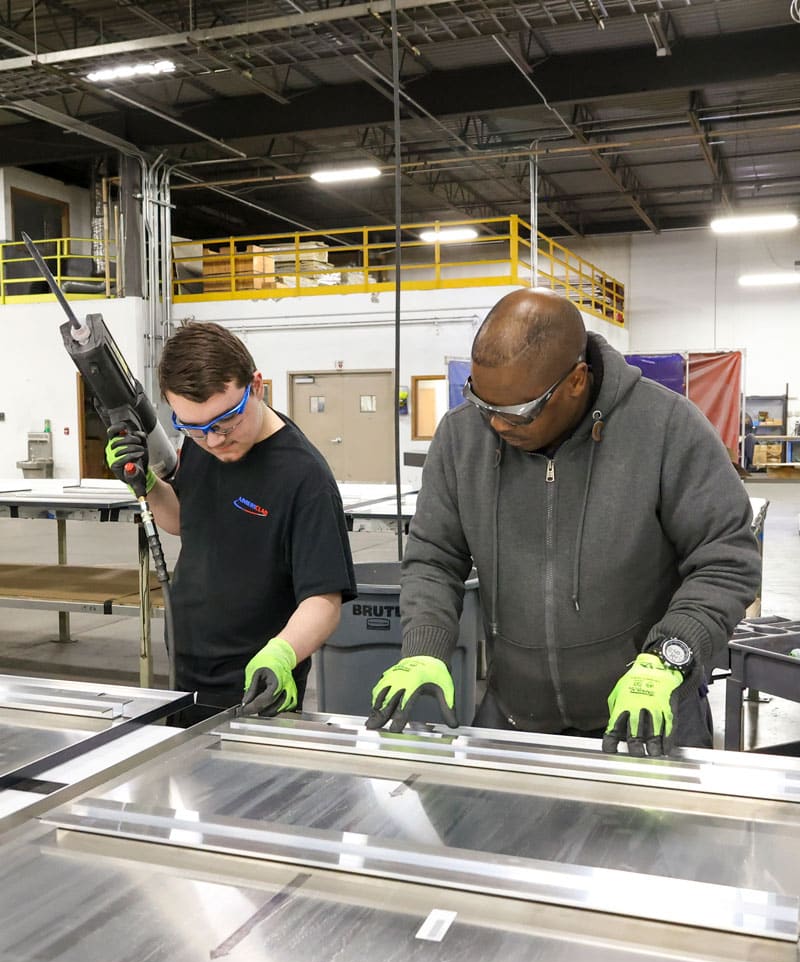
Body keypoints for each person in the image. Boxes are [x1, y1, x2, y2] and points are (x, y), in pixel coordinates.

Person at [366, 288, 761, 756]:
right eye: (481, 402)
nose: (494, 425)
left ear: (576, 381)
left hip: (647, 717)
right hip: (513, 718)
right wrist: (424, 645)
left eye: (516, 413)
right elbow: (434, 558)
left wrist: (667, 658)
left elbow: (726, 561)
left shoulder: (666, 428)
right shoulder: (460, 437)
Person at [106, 320, 356, 724]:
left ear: (256, 386)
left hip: (258, 686)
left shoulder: (304, 478)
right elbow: (186, 521)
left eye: (225, 423)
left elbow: (324, 601)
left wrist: (281, 654)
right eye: (195, 428)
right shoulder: (203, 440)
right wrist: (148, 484)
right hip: (187, 671)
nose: (215, 440)